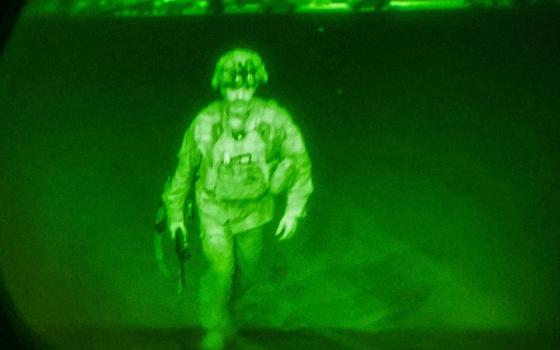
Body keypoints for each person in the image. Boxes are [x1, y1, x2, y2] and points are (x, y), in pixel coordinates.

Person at [162, 48, 313, 350]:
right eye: (233, 87)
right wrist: (175, 214)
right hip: (213, 208)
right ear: (222, 86)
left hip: (256, 211)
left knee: (247, 271)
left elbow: (298, 162)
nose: (240, 95)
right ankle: (214, 326)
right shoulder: (205, 122)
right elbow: (185, 168)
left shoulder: (276, 119)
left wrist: (293, 209)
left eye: (246, 86)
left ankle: (231, 306)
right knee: (221, 268)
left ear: (256, 84)